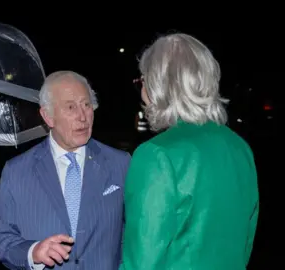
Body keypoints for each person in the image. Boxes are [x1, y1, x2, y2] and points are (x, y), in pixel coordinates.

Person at [119, 33, 259, 269]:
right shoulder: (240, 148)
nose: (141, 92)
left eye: (142, 81)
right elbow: (245, 241)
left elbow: (142, 261)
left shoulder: (155, 155)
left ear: (158, 84)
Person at [0, 71, 131, 269]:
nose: (83, 117)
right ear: (48, 117)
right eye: (71, 107)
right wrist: (32, 252)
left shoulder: (120, 163)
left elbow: (134, 233)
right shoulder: (17, 171)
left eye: (86, 105)